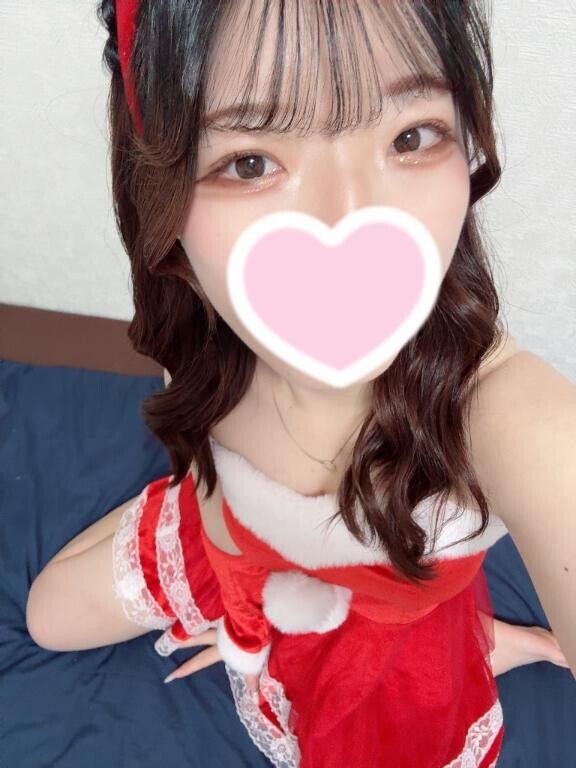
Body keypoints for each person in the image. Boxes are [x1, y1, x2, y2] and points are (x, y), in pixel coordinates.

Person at [26, 2, 573, 767]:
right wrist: (244, 602)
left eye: (410, 137)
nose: (347, 220)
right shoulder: (206, 322)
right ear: (159, 191)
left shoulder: (505, 415)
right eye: (251, 162)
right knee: (46, 619)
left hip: (382, 652)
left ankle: (477, 644)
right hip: (230, 549)